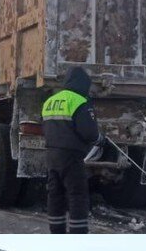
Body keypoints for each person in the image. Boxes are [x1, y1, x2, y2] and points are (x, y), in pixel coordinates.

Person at [41, 67, 105, 234]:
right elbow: (89, 133)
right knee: (77, 194)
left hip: (51, 155)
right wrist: (100, 139)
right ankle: (78, 233)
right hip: (72, 156)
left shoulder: (50, 101)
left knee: (55, 194)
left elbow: (44, 127)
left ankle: (57, 230)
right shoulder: (79, 102)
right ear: (83, 84)